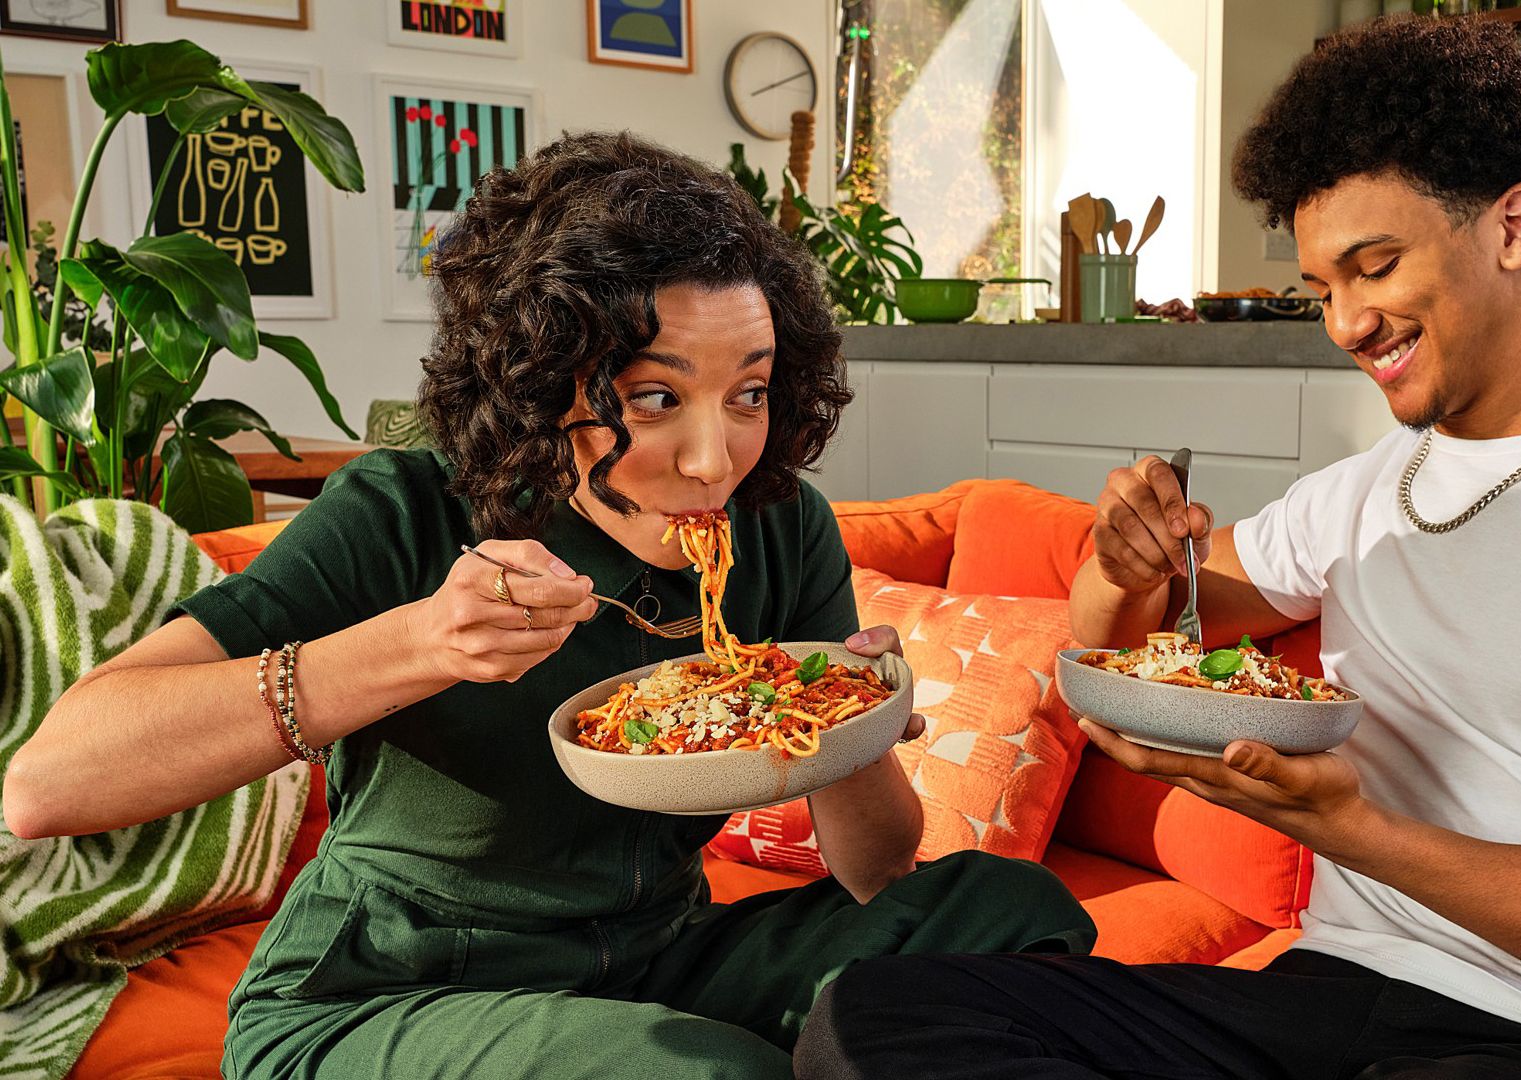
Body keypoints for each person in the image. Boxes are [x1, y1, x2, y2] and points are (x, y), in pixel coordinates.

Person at [796, 17, 1521, 1080]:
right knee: (871, 1019)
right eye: (1322, 289)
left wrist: (1353, 832)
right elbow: (1134, 635)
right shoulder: (1358, 495)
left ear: (1514, 225)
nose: (1346, 323)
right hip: (1329, 994)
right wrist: (1124, 567)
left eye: (1376, 266)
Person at [4, 132, 1093, 1078]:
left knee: (1013, 910)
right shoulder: (409, 510)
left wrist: (850, 726)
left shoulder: (778, 526)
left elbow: (878, 870)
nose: (713, 458)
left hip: (658, 956)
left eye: (750, 393)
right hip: (384, 992)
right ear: (539, 378)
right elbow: (47, 785)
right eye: (654, 397)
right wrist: (418, 644)